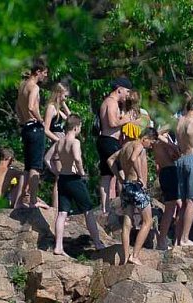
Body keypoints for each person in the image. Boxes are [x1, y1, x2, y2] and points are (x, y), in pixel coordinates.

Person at [51, 115, 105, 255]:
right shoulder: (74, 142)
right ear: (76, 127)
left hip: (63, 178)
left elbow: (49, 158)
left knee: (62, 213)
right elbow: (76, 157)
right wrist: (81, 172)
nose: (80, 129)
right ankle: (98, 243)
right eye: (80, 127)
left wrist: (56, 171)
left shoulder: (59, 142)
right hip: (74, 179)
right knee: (88, 211)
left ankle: (58, 246)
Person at [107, 127, 156, 265]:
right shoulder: (138, 145)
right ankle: (134, 255)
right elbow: (134, 158)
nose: (150, 146)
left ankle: (125, 257)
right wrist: (141, 176)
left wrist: (119, 177)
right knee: (148, 221)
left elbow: (110, 160)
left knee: (127, 223)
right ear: (145, 138)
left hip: (127, 186)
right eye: (151, 143)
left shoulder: (125, 146)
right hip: (136, 187)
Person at [14, 58, 49, 209]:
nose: (45, 77)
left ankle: (20, 200)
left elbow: (17, 107)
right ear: (38, 72)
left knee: (27, 167)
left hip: (25, 128)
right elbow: (30, 106)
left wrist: (23, 121)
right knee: (35, 167)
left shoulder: (22, 86)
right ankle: (33, 200)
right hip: (34, 127)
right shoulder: (34, 87)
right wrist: (41, 120)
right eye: (45, 73)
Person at [97, 77, 134, 213]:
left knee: (107, 175)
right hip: (109, 141)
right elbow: (112, 123)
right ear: (120, 90)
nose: (128, 95)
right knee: (122, 172)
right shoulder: (111, 102)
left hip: (106, 140)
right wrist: (127, 119)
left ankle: (105, 209)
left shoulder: (109, 102)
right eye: (127, 92)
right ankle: (125, 206)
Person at [174, 97, 193, 246]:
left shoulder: (179, 121)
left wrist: (172, 148)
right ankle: (185, 238)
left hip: (179, 160)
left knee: (183, 204)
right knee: (191, 201)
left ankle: (178, 239)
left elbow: (159, 132)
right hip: (192, 159)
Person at [42, 81, 71, 209]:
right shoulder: (51, 108)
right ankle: (57, 209)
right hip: (57, 141)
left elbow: (71, 120)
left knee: (64, 176)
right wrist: (57, 140)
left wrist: (63, 104)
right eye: (65, 96)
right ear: (59, 93)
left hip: (63, 141)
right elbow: (46, 129)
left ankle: (62, 208)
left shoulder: (58, 108)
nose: (66, 99)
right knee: (60, 177)